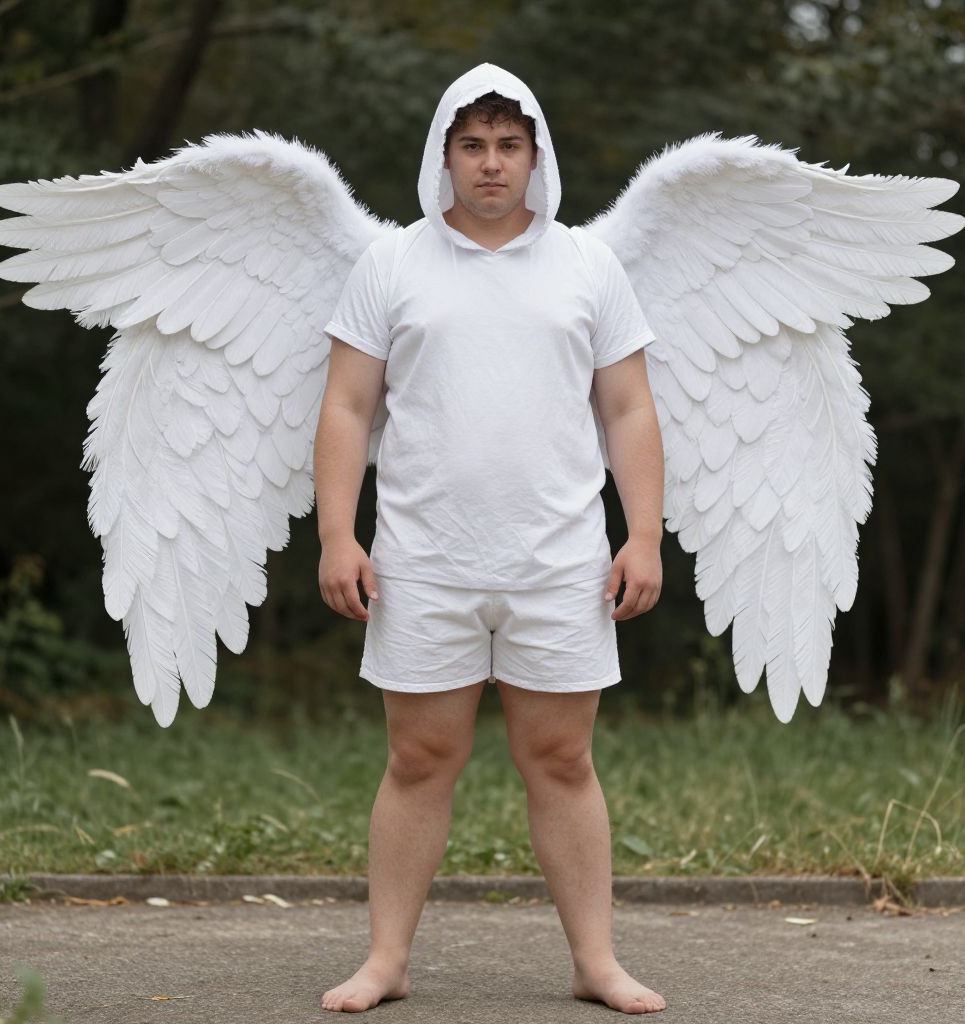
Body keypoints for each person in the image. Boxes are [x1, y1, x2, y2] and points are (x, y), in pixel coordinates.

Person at [313, 62, 665, 1015]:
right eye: (472, 145)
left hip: (561, 562)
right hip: (425, 561)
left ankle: (596, 964)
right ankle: (386, 962)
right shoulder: (391, 263)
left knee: (562, 759)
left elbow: (629, 408)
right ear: (445, 155)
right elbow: (347, 406)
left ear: (536, 154)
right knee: (419, 759)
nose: (491, 163)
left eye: (509, 144)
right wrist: (338, 534)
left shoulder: (589, 265)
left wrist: (643, 536)